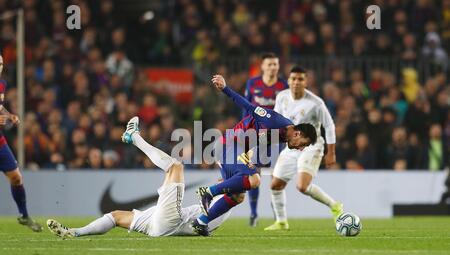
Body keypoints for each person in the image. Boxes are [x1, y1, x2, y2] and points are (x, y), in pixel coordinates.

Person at [47, 117, 230, 238]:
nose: (220, 180)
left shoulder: (227, 200)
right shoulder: (219, 200)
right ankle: (73, 232)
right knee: (116, 216)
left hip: (170, 222)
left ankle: (134, 137)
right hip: (158, 224)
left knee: (175, 166)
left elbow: (235, 189)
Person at [193, 74, 317, 236]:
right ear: (297, 134)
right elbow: (248, 106)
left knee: (237, 196)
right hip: (228, 145)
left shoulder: (282, 137)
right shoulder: (275, 121)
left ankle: (201, 222)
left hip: (235, 150)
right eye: (303, 144)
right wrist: (225, 88)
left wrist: (239, 174)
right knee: (254, 179)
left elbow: (256, 142)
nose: (301, 149)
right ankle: (208, 192)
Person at [265, 66, 343, 231]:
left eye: (300, 79)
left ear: (306, 82)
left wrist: (331, 152)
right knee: (275, 185)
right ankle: (281, 222)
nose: (296, 82)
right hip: (292, 146)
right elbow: (276, 120)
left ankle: (334, 205)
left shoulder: (315, 103)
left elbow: (329, 126)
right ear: (288, 80)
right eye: (293, 78)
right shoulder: (282, 97)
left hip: (312, 146)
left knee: (301, 186)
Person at [244, 52, 288, 227]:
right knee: (254, 172)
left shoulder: (283, 86)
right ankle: (254, 213)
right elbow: (245, 108)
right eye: (269, 64)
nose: (272, 67)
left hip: (277, 136)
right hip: (256, 135)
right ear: (262, 66)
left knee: (276, 175)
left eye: (275, 64)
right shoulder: (252, 83)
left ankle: (277, 215)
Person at [0, 54, 42, 232]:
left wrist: (9, 116)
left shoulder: (1, 84)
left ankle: (24, 215)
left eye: (1, 63)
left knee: (16, 177)